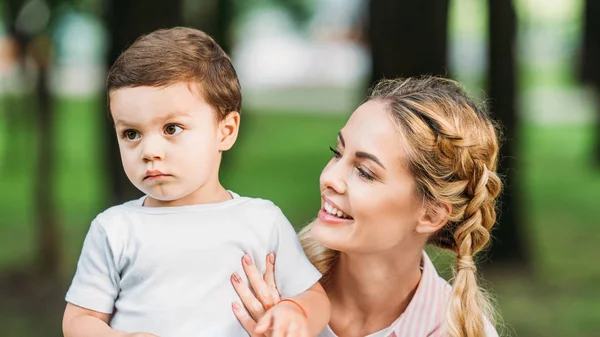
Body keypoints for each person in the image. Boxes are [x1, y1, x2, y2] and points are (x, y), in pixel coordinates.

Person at [61, 27, 330, 337]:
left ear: (225, 131)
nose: (149, 152)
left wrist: (295, 313)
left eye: (172, 128)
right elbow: (79, 321)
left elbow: (315, 298)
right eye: (131, 134)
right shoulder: (115, 229)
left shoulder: (261, 221)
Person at [231, 76, 502, 337]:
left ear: (431, 214)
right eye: (337, 153)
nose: (329, 178)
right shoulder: (265, 283)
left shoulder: (455, 331)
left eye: (365, 172)